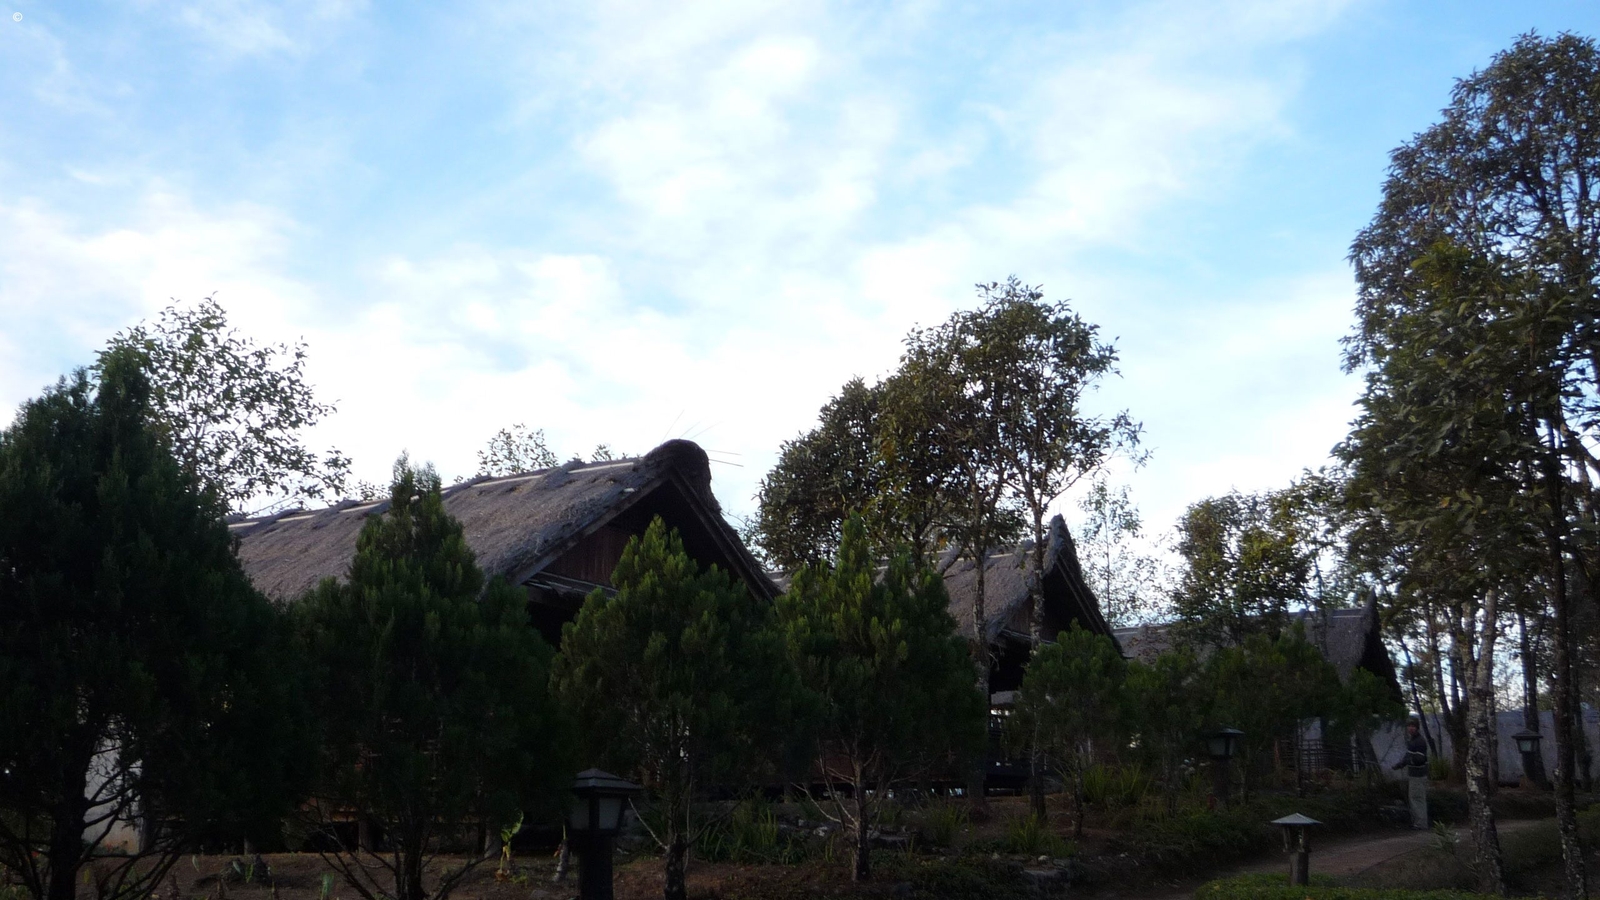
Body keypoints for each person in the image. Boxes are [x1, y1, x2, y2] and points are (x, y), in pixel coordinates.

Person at [1392, 718, 1429, 828]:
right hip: (1414, 775)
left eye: (1413, 726)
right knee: (1415, 798)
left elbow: (1420, 759)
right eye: (1409, 726)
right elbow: (1408, 756)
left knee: (1417, 798)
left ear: (1417, 728)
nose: (1411, 728)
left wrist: (1408, 761)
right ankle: (1418, 822)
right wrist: (1399, 765)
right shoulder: (1412, 740)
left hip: (1418, 775)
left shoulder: (1419, 741)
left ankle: (1421, 823)